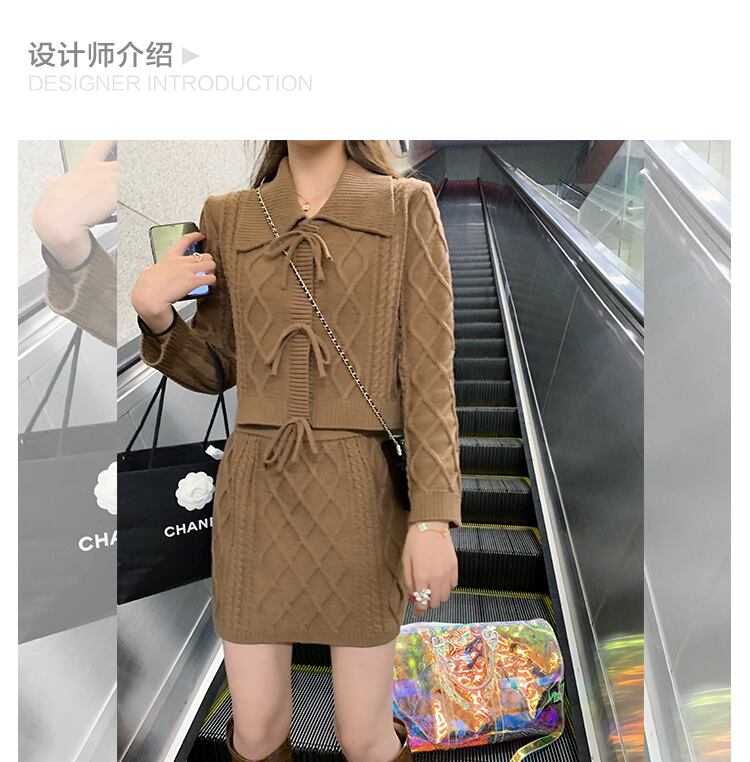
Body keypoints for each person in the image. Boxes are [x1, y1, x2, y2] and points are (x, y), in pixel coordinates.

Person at [130, 140, 462, 762]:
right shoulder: (229, 215)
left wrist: (432, 518)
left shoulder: (405, 205)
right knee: (254, 731)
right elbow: (216, 367)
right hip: (256, 492)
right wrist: (156, 316)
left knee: (362, 737)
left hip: (361, 495)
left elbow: (430, 381)